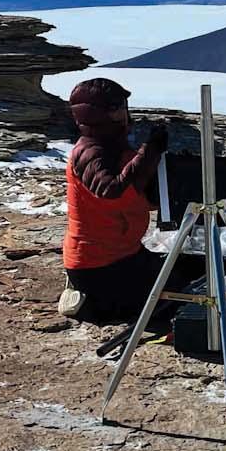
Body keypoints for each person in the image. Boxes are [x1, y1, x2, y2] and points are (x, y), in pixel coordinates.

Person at [60, 77, 175, 323]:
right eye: (117, 108)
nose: (124, 114)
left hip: (124, 253)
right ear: (100, 113)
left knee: (180, 279)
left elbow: (140, 197)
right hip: (97, 265)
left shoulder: (113, 148)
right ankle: (86, 302)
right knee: (162, 306)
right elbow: (113, 191)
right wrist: (149, 153)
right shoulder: (90, 152)